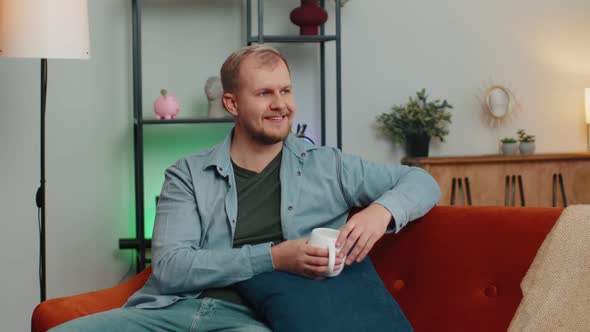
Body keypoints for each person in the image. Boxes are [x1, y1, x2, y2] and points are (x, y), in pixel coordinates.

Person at [50, 45, 440, 331]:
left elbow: (421, 181)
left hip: (251, 321)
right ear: (232, 104)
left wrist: (380, 211)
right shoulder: (188, 174)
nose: (280, 104)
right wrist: (274, 257)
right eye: (264, 93)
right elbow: (170, 269)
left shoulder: (329, 165)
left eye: (285, 91)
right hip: (171, 311)